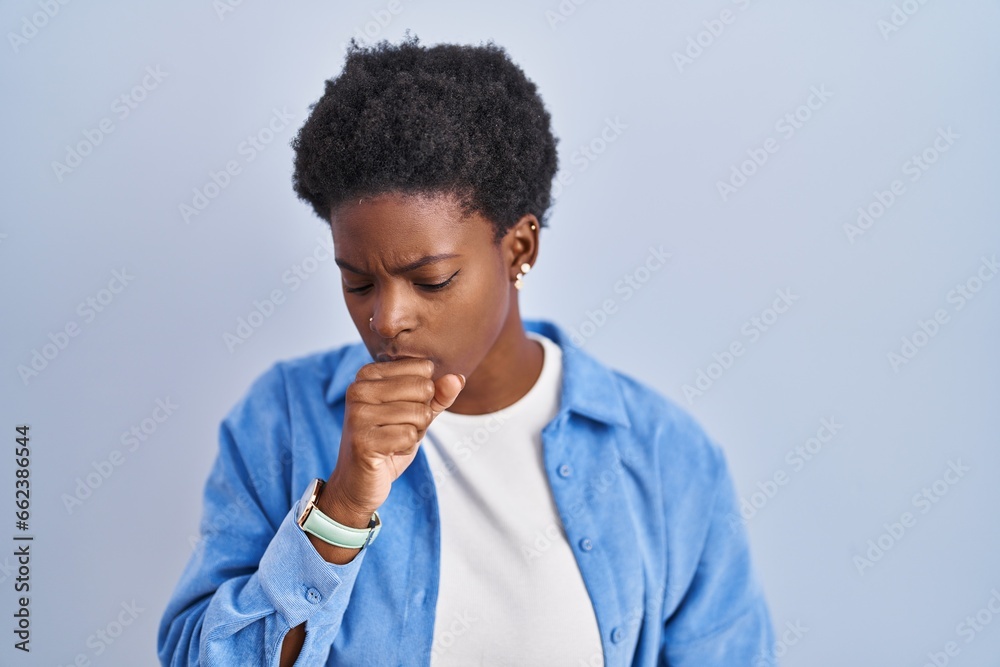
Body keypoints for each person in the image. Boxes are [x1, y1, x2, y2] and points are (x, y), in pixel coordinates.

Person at [158, 34, 776, 666]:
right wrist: (341, 508)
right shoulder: (280, 422)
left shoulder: (667, 456)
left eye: (431, 280)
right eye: (357, 281)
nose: (386, 317)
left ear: (519, 249)